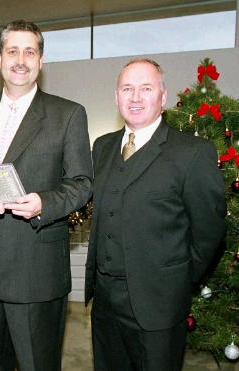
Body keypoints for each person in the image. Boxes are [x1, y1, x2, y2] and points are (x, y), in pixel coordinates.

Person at [0, 20, 93, 371]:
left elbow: (82, 183)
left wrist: (44, 202)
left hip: (37, 275)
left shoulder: (68, 114)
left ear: (41, 61)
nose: (20, 59)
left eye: (30, 51)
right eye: (12, 50)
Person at [85, 58, 226, 370]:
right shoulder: (102, 147)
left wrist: (176, 280)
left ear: (163, 98)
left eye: (146, 88)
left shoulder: (192, 152)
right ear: (116, 96)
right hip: (105, 303)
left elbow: (209, 230)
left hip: (159, 304)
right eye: (127, 88)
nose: (135, 97)